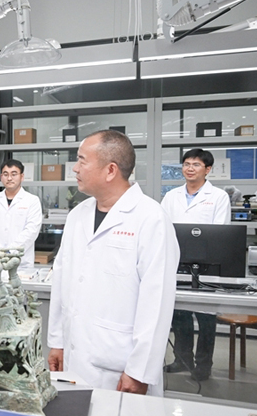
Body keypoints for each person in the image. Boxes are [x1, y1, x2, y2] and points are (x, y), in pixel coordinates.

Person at [47, 130, 179, 395]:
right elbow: (62, 281)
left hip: (120, 365)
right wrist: (57, 341)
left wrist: (139, 370)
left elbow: (157, 302)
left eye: (82, 160)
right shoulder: (77, 215)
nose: (75, 169)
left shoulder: (150, 218)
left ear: (110, 170)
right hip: (74, 355)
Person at [160, 149, 230, 381]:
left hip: (207, 267)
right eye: (186, 164)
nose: (190, 168)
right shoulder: (171, 196)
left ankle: (203, 365)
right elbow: (162, 227)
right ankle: (182, 360)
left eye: (196, 164)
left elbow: (220, 232)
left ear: (207, 169)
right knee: (180, 315)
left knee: (206, 318)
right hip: (177, 263)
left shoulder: (219, 196)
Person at [0, 160, 42, 270]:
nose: (9, 178)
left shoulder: (32, 201)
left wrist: (10, 252)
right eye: (6, 174)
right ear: (1, 177)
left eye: (14, 174)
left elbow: (31, 231)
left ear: (22, 177)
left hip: (21, 262)